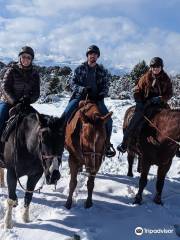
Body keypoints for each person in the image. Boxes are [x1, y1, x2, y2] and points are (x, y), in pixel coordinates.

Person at [63, 45, 116, 158]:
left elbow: (106, 86)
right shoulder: (79, 69)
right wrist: (82, 89)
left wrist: (101, 94)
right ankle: (60, 139)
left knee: (109, 121)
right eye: (91, 54)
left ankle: (107, 144)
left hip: (96, 99)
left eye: (95, 54)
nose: (93, 56)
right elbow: (71, 83)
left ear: (97, 57)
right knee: (66, 114)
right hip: (79, 97)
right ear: (87, 56)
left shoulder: (102, 71)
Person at [117, 57, 173, 153]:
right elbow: (137, 89)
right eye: (153, 66)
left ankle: (174, 147)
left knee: (172, 120)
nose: (155, 68)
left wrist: (160, 98)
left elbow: (169, 93)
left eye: (158, 66)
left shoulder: (166, 79)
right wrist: (138, 99)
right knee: (136, 119)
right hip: (145, 102)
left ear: (161, 67)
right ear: (151, 67)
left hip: (159, 103)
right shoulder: (145, 77)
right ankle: (125, 143)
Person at [0, 46, 40, 162]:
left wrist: (28, 99)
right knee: (1, 119)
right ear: (20, 58)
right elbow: (4, 88)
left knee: (40, 123)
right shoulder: (11, 70)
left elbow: (36, 92)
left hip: (25, 103)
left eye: (28, 57)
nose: (26, 59)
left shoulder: (35, 74)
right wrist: (14, 101)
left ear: (31, 59)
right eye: (23, 57)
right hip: (8, 102)